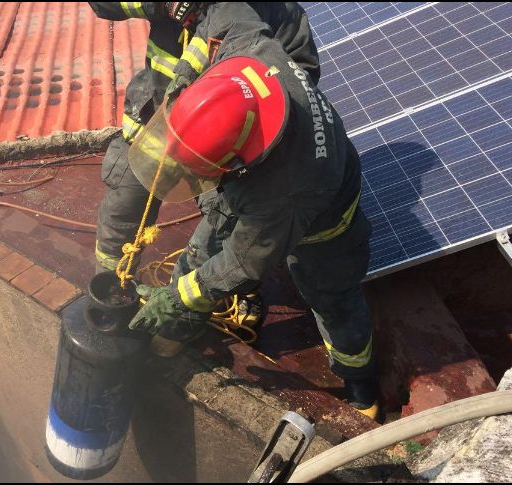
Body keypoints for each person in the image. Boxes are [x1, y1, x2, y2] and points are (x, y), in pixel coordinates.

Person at [125, 3, 380, 420]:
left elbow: (244, 262)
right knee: (199, 249)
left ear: (239, 162)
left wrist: (179, 296)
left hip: (325, 225)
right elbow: (217, 21)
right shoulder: (248, 47)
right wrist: (184, 83)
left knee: (332, 300)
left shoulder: (285, 191)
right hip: (264, 181)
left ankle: (360, 384)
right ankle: (177, 330)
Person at [89, 1, 321, 333]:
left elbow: (301, 83)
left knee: (219, 234)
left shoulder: (283, 13)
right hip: (153, 129)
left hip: (218, 156)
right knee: (122, 212)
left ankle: (194, 314)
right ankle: (111, 292)